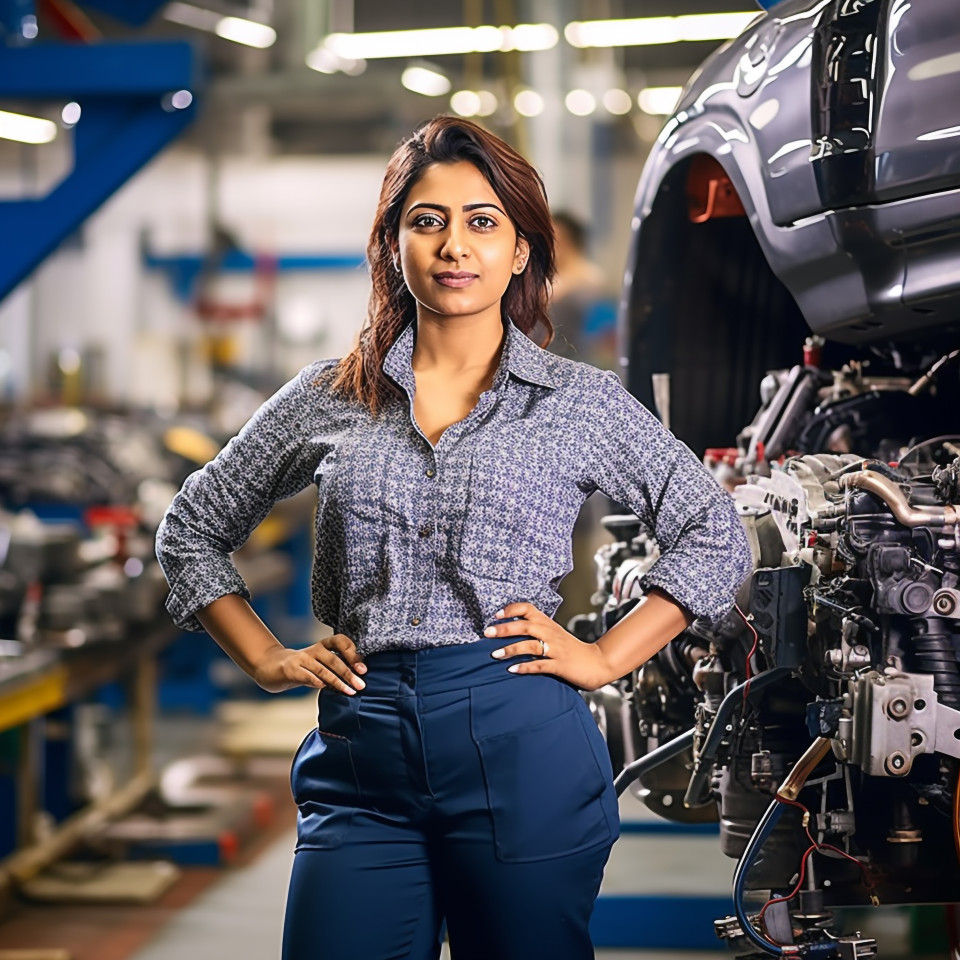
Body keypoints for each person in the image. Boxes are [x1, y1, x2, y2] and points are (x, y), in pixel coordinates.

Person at [155, 116, 753, 960]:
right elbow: (190, 529)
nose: (454, 246)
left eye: (483, 221)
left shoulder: (577, 404)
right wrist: (263, 657)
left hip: (519, 742)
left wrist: (606, 657)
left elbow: (713, 533)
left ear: (520, 251)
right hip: (362, 755)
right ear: (392, 243)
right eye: (427, 221)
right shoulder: (329, 396)